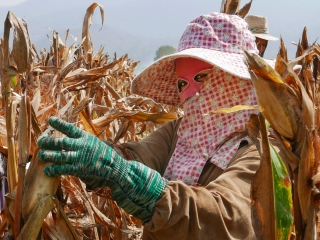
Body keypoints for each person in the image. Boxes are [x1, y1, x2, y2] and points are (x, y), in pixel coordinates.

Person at [37, 12, 274, 239]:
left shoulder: (262, 146)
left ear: (237, 79)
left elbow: (227, 218)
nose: (191, 93)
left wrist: (144, 189)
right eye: (182, 84)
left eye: (201, 77)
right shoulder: (181, 131)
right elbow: (135, 159)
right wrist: (97, 158)